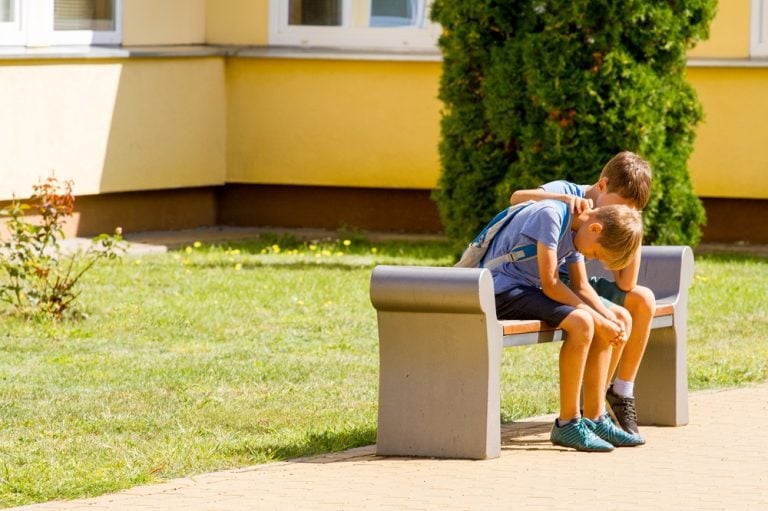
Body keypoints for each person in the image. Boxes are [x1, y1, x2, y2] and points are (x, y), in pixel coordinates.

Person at [481, 199, 645, 452]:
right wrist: (598, 319)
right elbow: (550, 283)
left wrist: (607, 317)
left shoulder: (578, 230)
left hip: (526, 290)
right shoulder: (552, 217)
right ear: (595, 229)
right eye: (596, 254)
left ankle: (596, 417)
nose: (591, 257)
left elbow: (580, 286)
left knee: (610, 319)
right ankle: (567, 423)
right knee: (583, 323)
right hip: (501, 290)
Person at [509, 151, 654, 436]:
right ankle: (593, 410)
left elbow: (626, 283)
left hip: (579, 281)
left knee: (641, 300)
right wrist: (563, 201)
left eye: (632, 211)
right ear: (601, 186)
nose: (624, 213)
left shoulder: (612, 223)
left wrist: (632, 227)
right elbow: (516, 198)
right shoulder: (566, 194)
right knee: (614, 317)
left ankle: (620, 393)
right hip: (550, 280)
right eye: (622, 206)